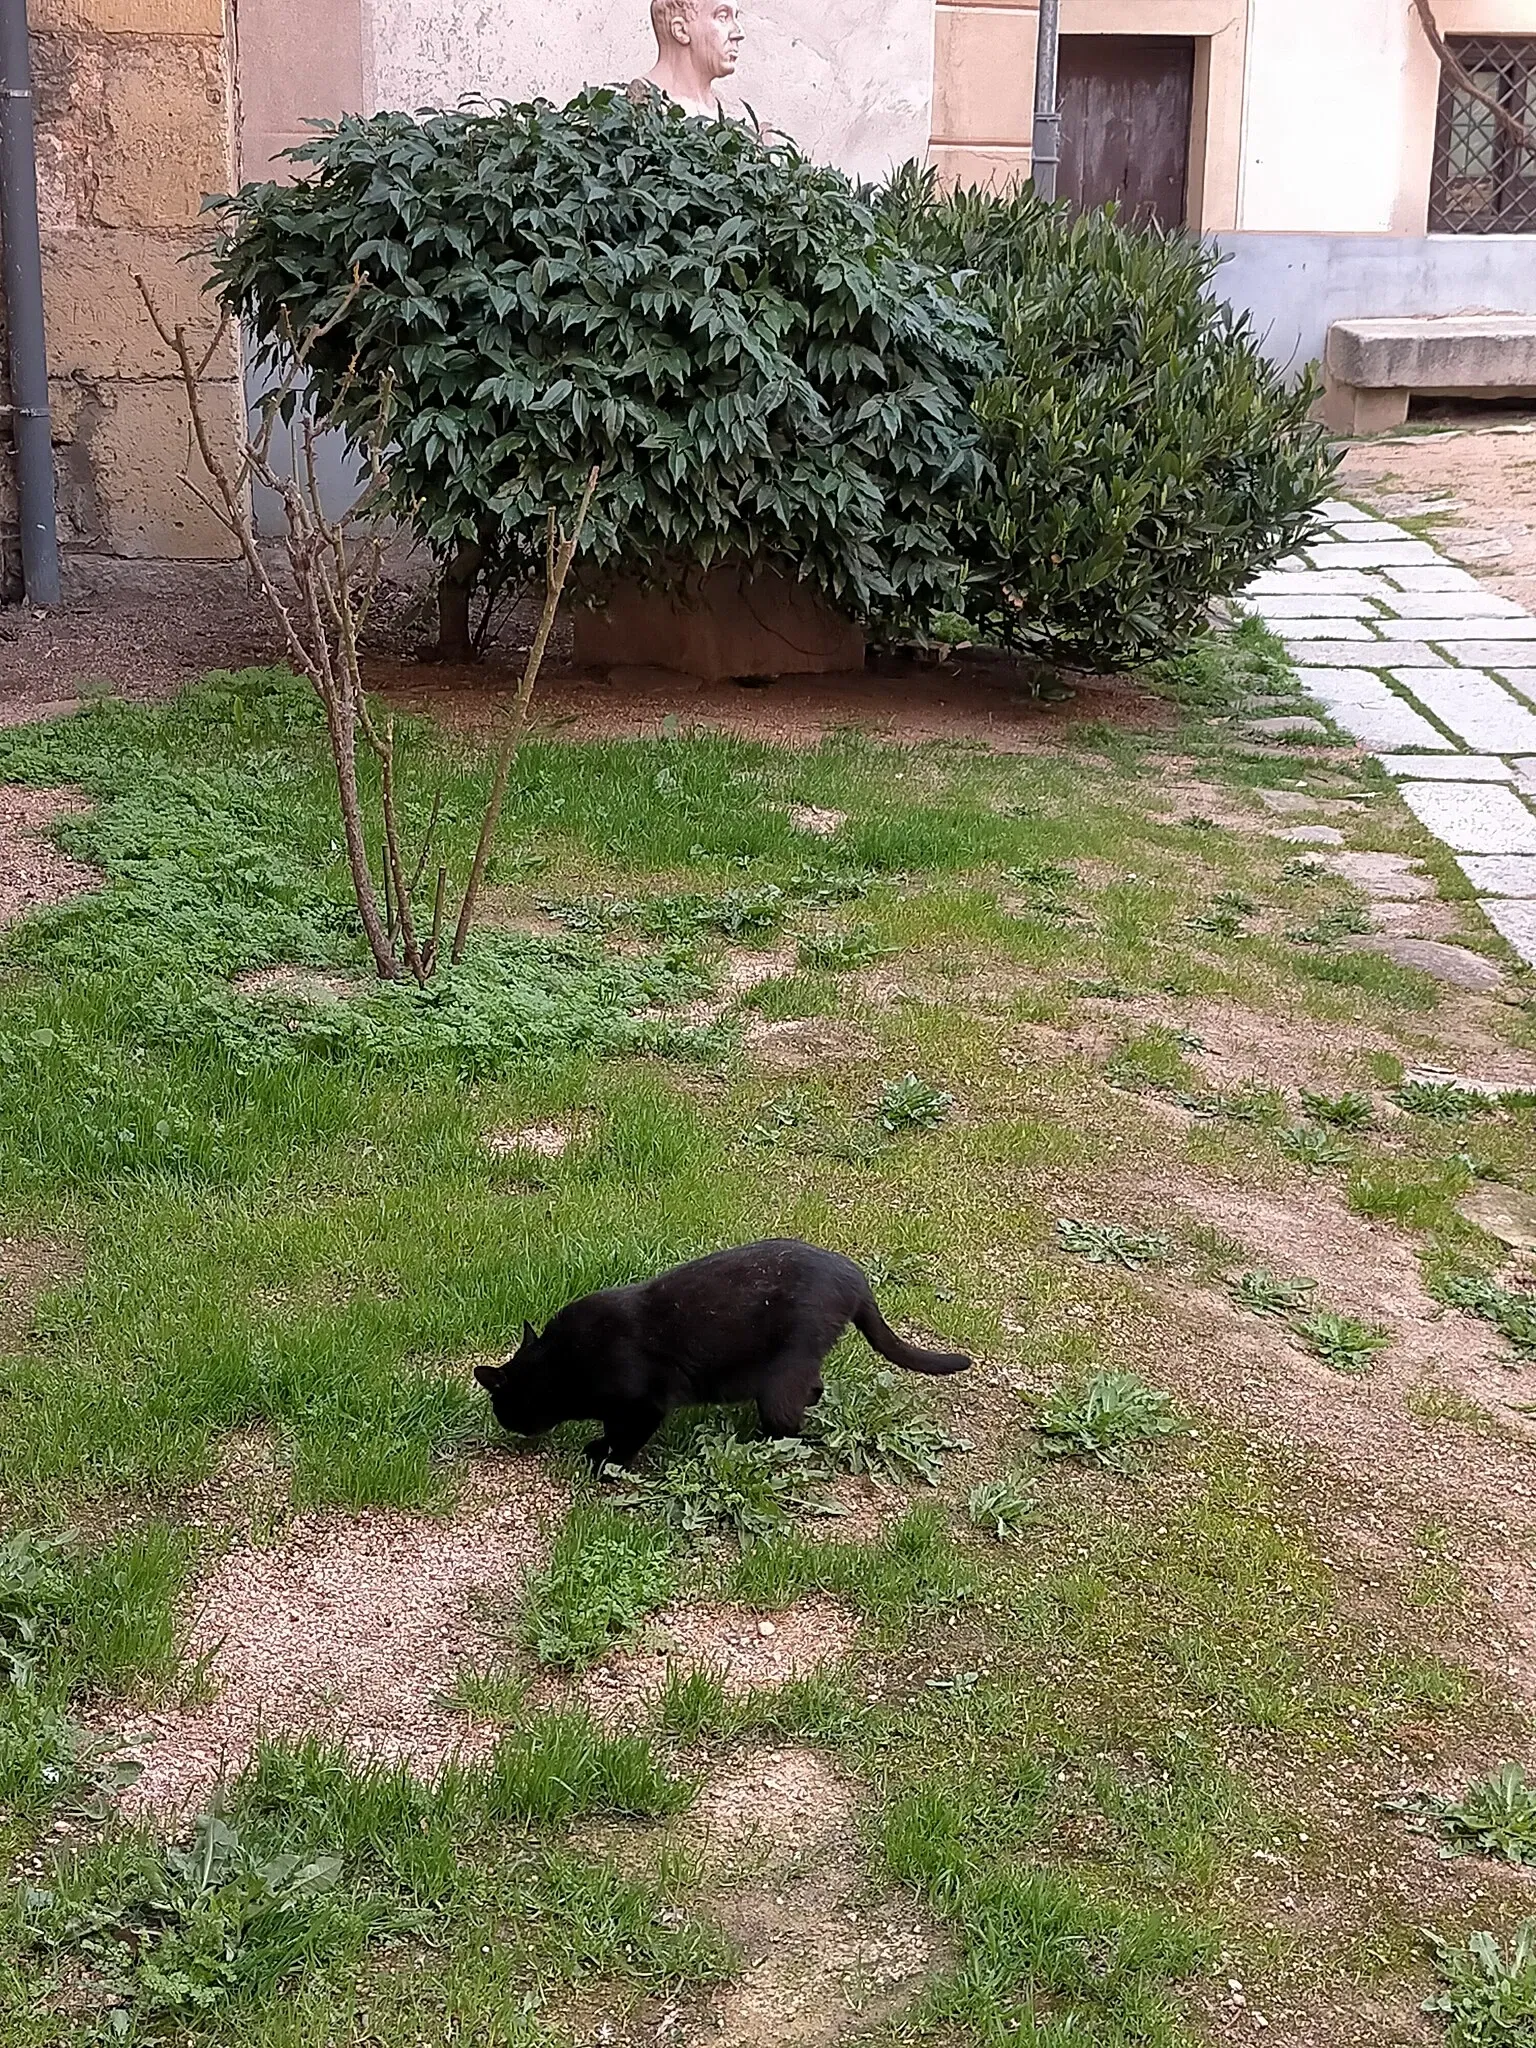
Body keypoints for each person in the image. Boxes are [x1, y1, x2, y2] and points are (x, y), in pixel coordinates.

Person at [642, 0, 746, 120]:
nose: (739, 33)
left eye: (735, 17)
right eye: (722, 17)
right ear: (681, 30)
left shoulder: (734, 116)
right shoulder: (630, 109)